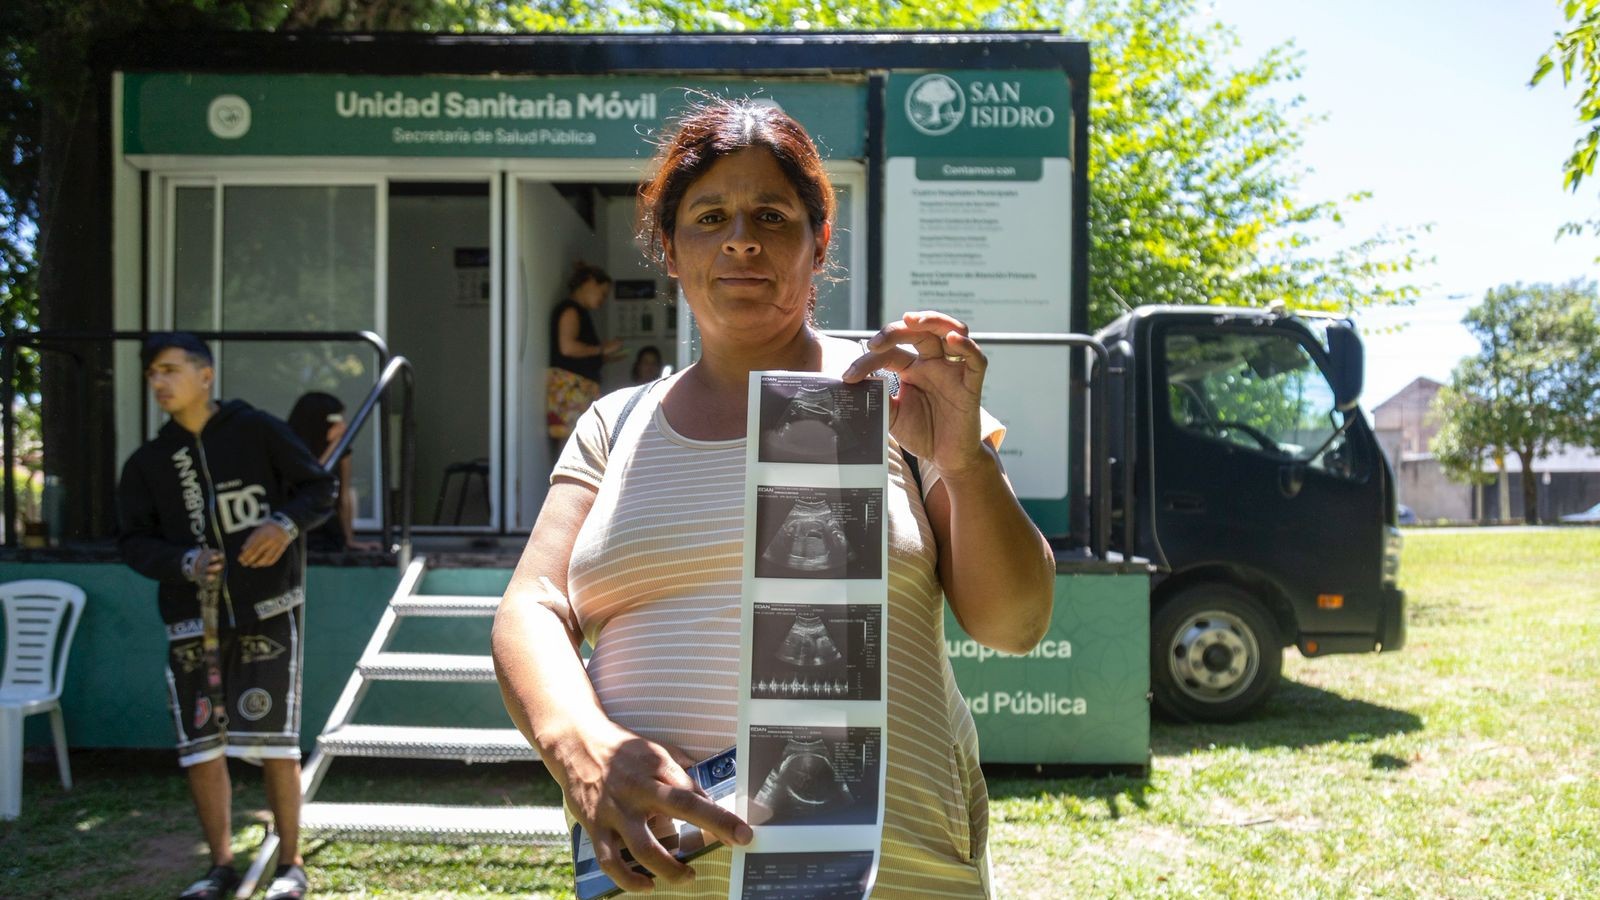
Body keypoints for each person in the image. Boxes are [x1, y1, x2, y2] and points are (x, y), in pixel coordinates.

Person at [492, 99, 1055, 897]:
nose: (741, 238)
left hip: (891, 873)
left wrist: (965, 463)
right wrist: (583, 749)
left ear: (819, 241)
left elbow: (1016, 624)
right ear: (671, 250)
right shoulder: (613, 423)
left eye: (772, 215)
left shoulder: (898, 400)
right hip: (661, 877)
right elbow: (531, 607)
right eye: (709, 216)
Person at [118, 333, 336, 900]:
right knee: (201, 743)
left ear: (205, 375)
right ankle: (219, 867)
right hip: (192, 619)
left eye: (170, 370)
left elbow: (319, 486)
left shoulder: (256, 429)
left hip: (267, 609)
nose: (160, 383)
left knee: (277, 742)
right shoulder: (149, 461)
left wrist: (282, 524)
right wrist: (183, 561)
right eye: (152, 375)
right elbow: (133, 541)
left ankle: (290, 865)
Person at [287, 391, 380, 553]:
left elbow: (344, 494)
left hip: (326, 527)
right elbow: (307, 482)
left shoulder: (342, 450)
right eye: (336, 420)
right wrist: (332, 447)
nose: (342, 426)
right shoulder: (289, 446)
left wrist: (349, 539)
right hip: (293, 526)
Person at [548, 261, 624, 449]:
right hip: (571, 388)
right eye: (603, 293)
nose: (603, 300)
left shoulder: (578, 311)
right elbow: (567, 347)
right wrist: (601, 349)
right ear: (590, 282)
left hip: (577, 388)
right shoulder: (571, 310)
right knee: (571, 446)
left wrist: (604, 358)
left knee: (577, 444)